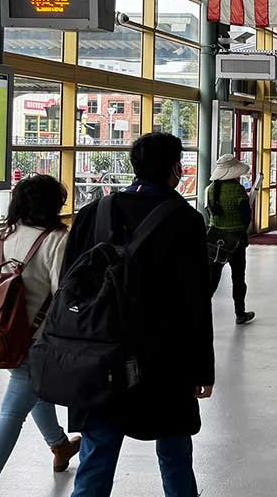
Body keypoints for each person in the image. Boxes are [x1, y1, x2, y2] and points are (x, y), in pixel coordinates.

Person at [64, 132, 214, 497]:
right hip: (167, 357)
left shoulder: (92, 213)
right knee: (175, 451)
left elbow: (70, 285)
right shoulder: (186, 220)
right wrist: (202, 370)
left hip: (102, 353)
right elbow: (196, 301)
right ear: (176, 168)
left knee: (96, 454)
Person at [0, 176, 81, 497]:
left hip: (0, 337)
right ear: (54, 205)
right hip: (38, 341)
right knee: (12, 412)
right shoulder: (57, 240)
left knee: (34, 391)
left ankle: (59, 446)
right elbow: (64, 296)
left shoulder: (0, 239)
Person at [206, 154, 255, 325]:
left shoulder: (210, 189)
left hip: (214, 239)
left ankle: (200, 312)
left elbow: (210, 212)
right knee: (238, 278)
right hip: (236, 240)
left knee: (211, 278)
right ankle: (240, 313)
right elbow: (246, 217)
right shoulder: (238, 190)